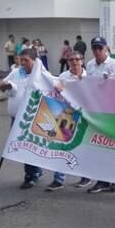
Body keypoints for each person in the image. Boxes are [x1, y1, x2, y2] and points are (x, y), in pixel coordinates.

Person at [0, 48, 57, 189]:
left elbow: (57, 88)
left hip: (32, 119)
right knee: (21, 147)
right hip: (15, 118)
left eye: (26, 60)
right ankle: (35, 171)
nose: (23, 63)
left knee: (29, 147)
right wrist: (5, 86)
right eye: (21, 60)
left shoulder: (43, 75)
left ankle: (31, 175)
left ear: (35, 60)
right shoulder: (16, 73)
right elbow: (1, 85)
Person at [85, 37, 115, 193]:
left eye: (100, 48)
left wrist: (112, 81)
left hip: (112, 111)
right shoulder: (90, 65)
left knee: (112, 146)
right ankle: (102, 180)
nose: (97, 51)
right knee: (98, 147)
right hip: (96, 110)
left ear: (106, 49)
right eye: (94, 48)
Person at [46, 51, 87, 191]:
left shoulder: (89, 77)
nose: (74, 62)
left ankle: (85, 176)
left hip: (84, 115)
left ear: (82, 61)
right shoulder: (63, 76)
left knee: (84, 147)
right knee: (61, 145)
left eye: (77, 59)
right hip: (67, 114)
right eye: (71, 59)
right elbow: (55, 92)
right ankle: (58, 179)